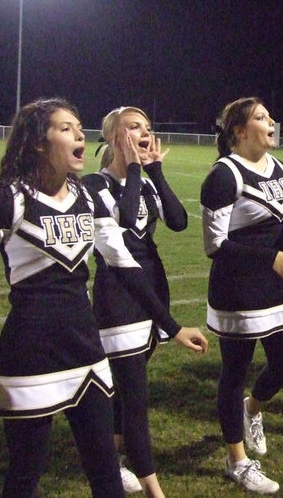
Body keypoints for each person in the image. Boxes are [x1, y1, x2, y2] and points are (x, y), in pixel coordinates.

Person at [0, 98, 207, 498]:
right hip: (30, 355)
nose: (79, 135)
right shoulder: (6, 199)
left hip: (87, 352)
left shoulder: (86, 197)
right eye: (65, 128)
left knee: (106, 475)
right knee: (24, 476)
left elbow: (124, 265)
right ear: (39, 142)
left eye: (79, 127)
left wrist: (172, 328)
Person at [83, 106, 208, 497]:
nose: (144, 133)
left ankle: (114, 456)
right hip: (119, 295)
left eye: (148, 127)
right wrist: (135, 169)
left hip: (152, 290)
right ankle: (154, 488)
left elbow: (179, 222)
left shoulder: (147, 181)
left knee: (126, 388)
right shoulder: (93, 184)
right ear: (113, 136)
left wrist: (155, 171)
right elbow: (122, 219)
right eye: (134, 127)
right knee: (135, 397)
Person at [200, 97, 283, 495]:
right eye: (261, 117)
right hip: (239, 289)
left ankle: (253, 409)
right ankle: (237, 460)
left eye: (269, 115)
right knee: (234, 374)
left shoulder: (280, 167)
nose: (271, 121)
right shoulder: (223, 175)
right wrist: (269, 256)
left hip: (279, 285)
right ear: (240, 131)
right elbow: (214, 245)